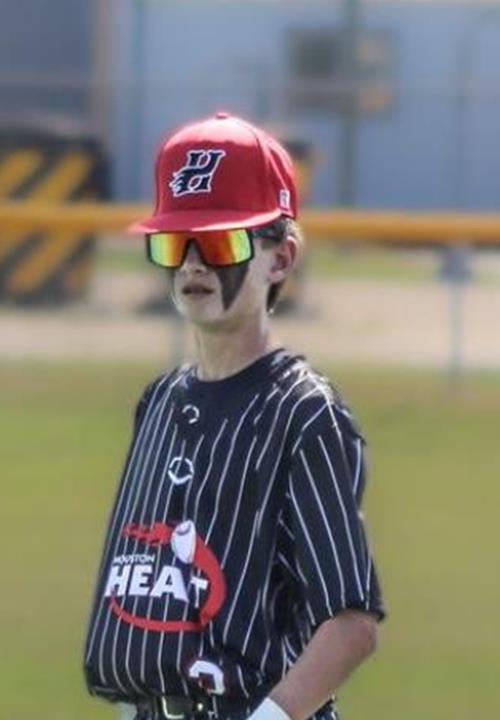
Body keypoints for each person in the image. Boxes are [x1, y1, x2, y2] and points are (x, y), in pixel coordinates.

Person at [83, 112, 385, 720]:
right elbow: (142, 598)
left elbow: (351, 622)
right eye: (175, 244)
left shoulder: (304, 414)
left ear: (281, 258)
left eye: (220, 243)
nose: (193, 264)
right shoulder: (160, 403)